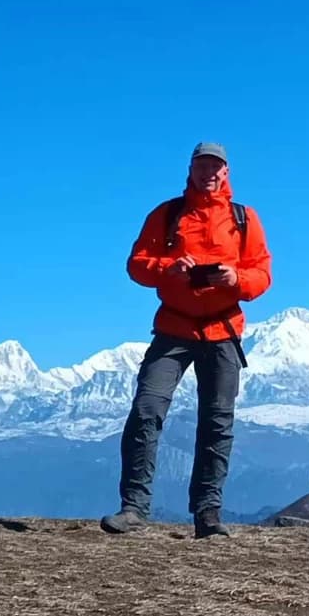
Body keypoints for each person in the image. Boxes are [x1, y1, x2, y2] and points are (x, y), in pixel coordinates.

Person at [100, 142, 272, 539]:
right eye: (203, 165)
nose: (210, 172)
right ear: (191, 169)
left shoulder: (244, 219)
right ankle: (133, 508)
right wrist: (169, 268)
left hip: (223, 330)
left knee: (217, 423)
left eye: (217, 166)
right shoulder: (167, 214)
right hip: (173, 328)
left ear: (226, 172)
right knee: (146, 409)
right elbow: (137, 265)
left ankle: (208, 515)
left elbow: (262, 273)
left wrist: (236, 279)